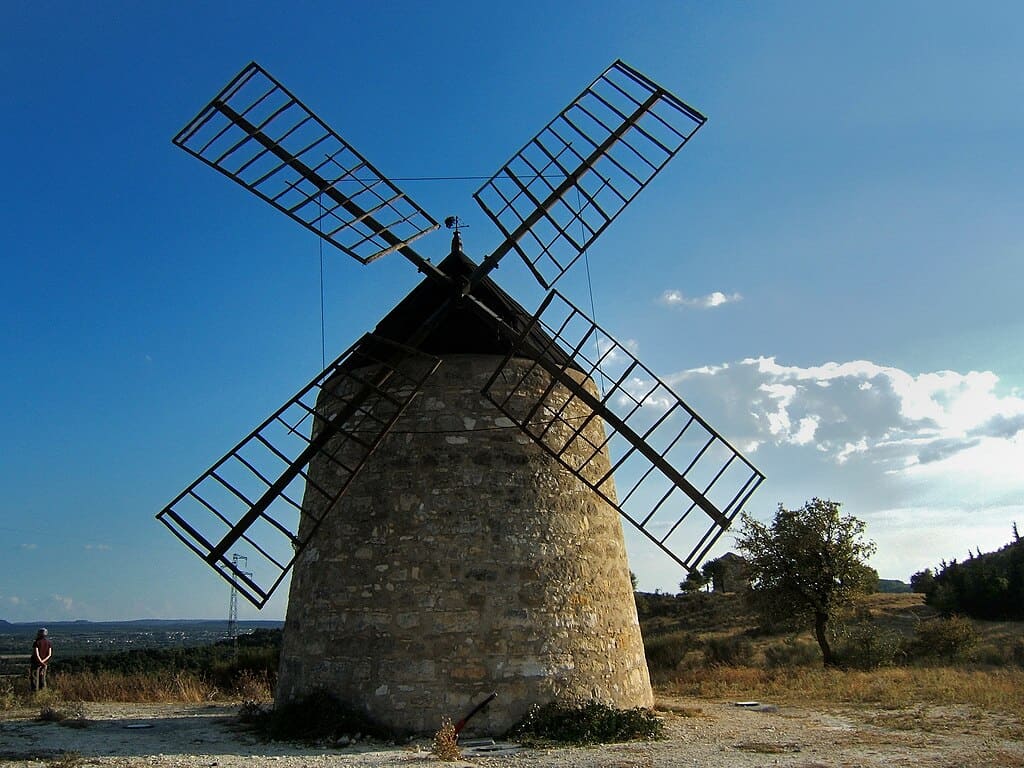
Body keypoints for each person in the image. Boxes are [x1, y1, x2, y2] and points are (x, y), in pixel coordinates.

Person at [30, 628, 52, 692]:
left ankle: (35, 692)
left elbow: (36, 654)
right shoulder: (48, 643)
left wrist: (40, 661)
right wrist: (43, 662)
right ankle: (43, 692)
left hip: (36, 663)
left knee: (34, 678)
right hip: (45, 664)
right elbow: (49, 654)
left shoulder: (36, 642)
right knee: (42, 678)